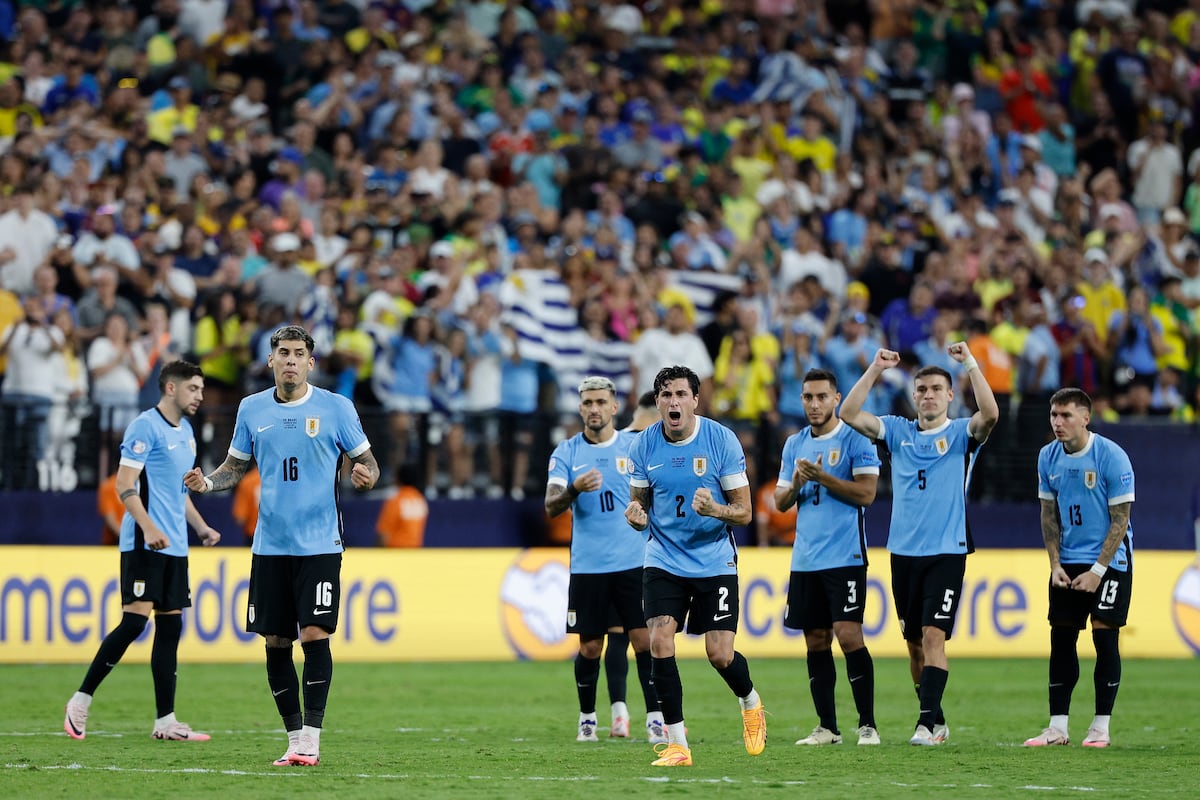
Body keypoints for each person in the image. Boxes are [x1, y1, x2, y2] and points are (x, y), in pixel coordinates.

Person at [184, 325, 380, 767]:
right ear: (270, 361)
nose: (290, 360)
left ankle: (312, 737)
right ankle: (293, 738)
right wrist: (208, 482)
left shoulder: (336, 408)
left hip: (320, 544)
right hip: (270, 545)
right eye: (283, 353)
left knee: (314, 634)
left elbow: (368, 462)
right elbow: (235, 467)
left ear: (311, 363)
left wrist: (366, 476)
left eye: (298, 354)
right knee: (275, 641)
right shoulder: (251, 409)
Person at [839, 344, 999, 746]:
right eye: (921, 389)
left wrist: (970, 364)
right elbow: (848, 413)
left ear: (950, 396)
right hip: (903, 553)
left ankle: (925, 725)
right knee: (913, 646)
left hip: (947, 551)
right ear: (914, 396)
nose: (928, 395)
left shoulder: (963, 434)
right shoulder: (898, 431)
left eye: (936, 389)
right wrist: (875, 367)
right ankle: (937, 717)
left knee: (933, 637)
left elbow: (991, 414)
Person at [63, 360, 220, 742]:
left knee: (170, 626)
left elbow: (179, 493)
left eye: (200, 390)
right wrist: (148, 527)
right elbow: (124, 484)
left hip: (175, 547)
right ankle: (80, 701)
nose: (200, 396)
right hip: (144, 543)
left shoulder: (186, 433)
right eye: (193, 389)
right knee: (134, 622)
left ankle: (165, 721)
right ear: (170, 388)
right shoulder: (144, 427)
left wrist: (200, 527)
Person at [624, 365, 766, 767]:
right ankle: (677, 745)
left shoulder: (721, 440)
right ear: (657, 402)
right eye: (666, 395)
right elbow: (640, 506)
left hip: (713, 559)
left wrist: (716, 508)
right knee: (659, 641)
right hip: (664, 557)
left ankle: (750, 702)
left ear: (695, 401)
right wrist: (635, 517)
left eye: (681, 394)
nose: (673, 402)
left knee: (720, 654)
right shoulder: (643, 446)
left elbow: (744, 512)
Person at [545, 376, 663, 745]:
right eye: (587, 403)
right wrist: (574, 489)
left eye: (601, 402)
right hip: (589, 567)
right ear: (580, 408)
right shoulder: (566, 453)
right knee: (590, 647)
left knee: (645, 642)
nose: (594, 409)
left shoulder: (635, 445)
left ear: (614, 407)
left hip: (634, 563)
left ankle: (656, 719)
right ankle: (587, 718)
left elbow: (656, 492)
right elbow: (551, 506)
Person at [775, 368, 882, 746]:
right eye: (808, 397)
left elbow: (867, 494)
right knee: (815, 640)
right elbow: (780, 502)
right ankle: (827, 728)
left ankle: (867, 724)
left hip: (846, 556)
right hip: (805, 559)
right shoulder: (794, 444)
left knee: (848, 634)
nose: (814, 404)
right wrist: (801, 482)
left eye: (822, 397)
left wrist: (823, 478)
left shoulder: (857, 438)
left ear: (837, 399)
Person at [1023, 388, 1135, 749]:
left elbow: (1121, 520)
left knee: (1104, 636)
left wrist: (1098, 570)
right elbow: (1048, 514)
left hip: (1110, 559)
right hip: (1068, 559)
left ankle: (1100, 728)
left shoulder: (1111, 456)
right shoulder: (1047, 457)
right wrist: (1055, 563)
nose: (1058, 422)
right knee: (1062, 638)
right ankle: (1057, 728)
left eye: (1066, 415)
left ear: (1085, 418)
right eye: (1054, 415)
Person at [375, 463, 429, 547]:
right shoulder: (421, 501)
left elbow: (383, 534)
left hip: (395, 552)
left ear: (398, 478)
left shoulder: (396, 501)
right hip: (415, 552)